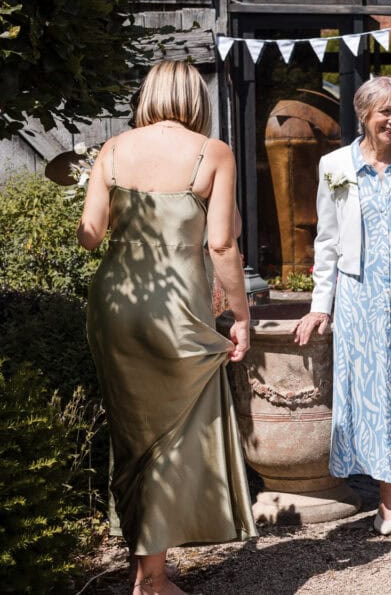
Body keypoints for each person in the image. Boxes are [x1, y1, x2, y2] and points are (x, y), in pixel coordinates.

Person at [78, 60, 255, 594]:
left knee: (135, 435)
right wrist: (242, 316)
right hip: (178, 307)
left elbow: (90, 237)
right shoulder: (211, 152)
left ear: (148, 95)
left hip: (116, 304)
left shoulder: (112, 150)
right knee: (173, 436)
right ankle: (151, 581)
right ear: (195, 98)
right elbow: (221, 245)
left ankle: (145, 568)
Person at [294, 76, 391, 536]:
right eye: (386, 112)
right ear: (364, 114)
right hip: (358, 295)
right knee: (371, 396)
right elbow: (326, 242)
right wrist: (321, 305)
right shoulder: (335, 165)